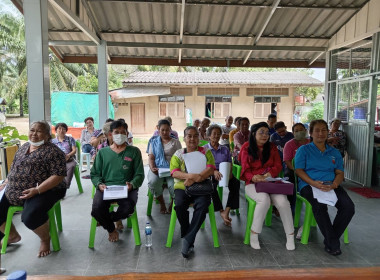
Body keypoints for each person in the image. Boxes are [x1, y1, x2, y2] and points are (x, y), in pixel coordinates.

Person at [0, 121, 67, 257]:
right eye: (32, 130)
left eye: (39, 131)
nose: (34, 134)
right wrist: (7, 181)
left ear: (48, 135)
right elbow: (14, 167)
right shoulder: (24, 147)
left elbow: (58, 176)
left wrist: (37, 190)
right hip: (15, 190)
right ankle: (12, 236)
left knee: (30, 216)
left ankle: (45, 239)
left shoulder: (53, 151)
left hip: (46, 190)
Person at [295, 119, 355, 256]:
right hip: (309, 184)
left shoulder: (334, 152)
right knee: (319, 206)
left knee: (348, 207)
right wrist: (313, 182)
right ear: (310, 133)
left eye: (324, 130)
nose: (321, 133)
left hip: (331, 184)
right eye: (317, 130)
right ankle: (333, 244)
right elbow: (299, 170)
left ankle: (330, 239)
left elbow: (339, 173)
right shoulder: (304, 150)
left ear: (328, 132)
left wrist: (334, 184)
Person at [239, 122, 295, 251]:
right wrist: (254, 177)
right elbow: (245, 169)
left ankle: (290, 235)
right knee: (263, 200)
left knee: (283, 202)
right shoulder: (246, 147)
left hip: (271, 182)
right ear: (254, 134)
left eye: (266, 132)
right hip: (253, 183)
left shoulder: (272, 147)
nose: (265, 135)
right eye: (261, 132)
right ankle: (254, 233)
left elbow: (278, 165)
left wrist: (270, 174)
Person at [91, 120, 144, 242]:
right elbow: (94, 174)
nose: (120, 135)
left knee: (127, 208)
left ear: (127, 134)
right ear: (110, 134)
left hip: (126, 188)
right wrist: (99, 184)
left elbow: (139, 174)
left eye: (123, 132)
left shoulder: (134, 151)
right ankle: (111, 229)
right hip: (106, 188)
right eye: (116, 132)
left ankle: (106, 219)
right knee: (97, 209)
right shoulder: (103, 153)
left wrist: (132, 184)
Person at [170, 126, 215, 258]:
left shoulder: (206, 152)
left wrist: (198, 178)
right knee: (179, 205)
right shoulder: (178, 153)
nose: (192, 139)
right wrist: (190, 177)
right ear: (184, 138)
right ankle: (187, 235)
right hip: (182, 187)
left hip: (201, 188)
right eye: (189, 136)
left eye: (195, 136)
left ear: (199, 138)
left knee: (202, 205)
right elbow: (174, 172)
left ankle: (188, 239)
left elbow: (210, 169)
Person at [205, 124, 240, 226]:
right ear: (209, 135)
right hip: (211, 173)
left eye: (218, 134)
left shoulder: (224, 149)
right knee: (210, 186)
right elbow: (203, 166)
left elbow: (230, 163)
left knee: (235, 183)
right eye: (214, 134)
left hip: (225, 172)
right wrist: (214, 171)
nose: (216, 136)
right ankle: (221, 210)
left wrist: (229, 173)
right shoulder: (204, 149)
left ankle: (227, 210)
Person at [147, 119, 182, 214]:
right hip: (157, 169)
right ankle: (162, 203)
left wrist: (176, 170)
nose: (165, 132)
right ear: (158, 129)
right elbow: (151, 157)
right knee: (153, 182)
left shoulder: (175, 142)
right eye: (162, 130)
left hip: (172, 170)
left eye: (167, 130)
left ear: (170, 129)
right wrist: (152, 167)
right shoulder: (153, 142)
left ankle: (172, 204)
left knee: (174, 186)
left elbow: (180, 158)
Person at [283, 123, 310, 222]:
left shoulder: (311, 142)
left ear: (305, 130)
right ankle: (290, 208)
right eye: (296, 131)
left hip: (309, 170)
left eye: (301, 129)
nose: (299, 132)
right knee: (290, 182)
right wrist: (296, 171)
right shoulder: (289, 144)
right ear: (293, 133)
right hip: (292, 169)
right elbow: (287, 160)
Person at [52, 123, 77, 189]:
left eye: (63, 129)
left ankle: (65, 186)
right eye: (59, 129)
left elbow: (74, 150)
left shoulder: (70, 139)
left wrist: (68, 155)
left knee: (71, 166)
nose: (61, 130)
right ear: (56, 130)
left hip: (69, 159)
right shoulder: (52, 141)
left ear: (66, 131)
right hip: (57, 161)